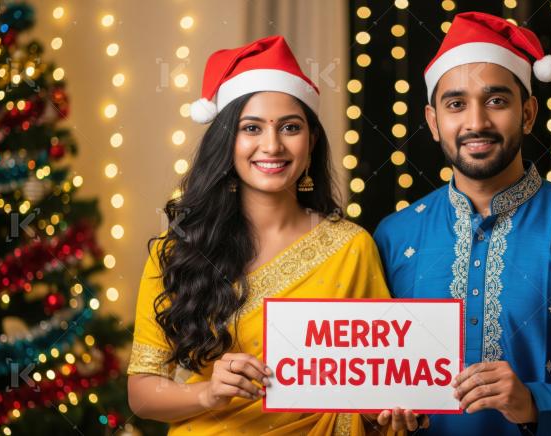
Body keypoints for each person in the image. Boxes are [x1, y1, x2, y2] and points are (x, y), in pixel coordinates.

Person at [374, 12, 551, 435]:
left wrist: (533, 402)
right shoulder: (393, 235)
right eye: (456, 104)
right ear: (434, 122)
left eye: (496, 101)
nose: (476, 122)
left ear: (528, 113)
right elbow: (372, 376)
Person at [126, 35, 392, 435]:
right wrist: (209, 393)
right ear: (227, 141)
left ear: (312, 141)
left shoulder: (352, 247)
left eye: (290, 127)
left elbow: (380, 385)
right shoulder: (179, 249)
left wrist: (383, 413)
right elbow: (142, 394)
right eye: (251, 128)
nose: (272, 145)